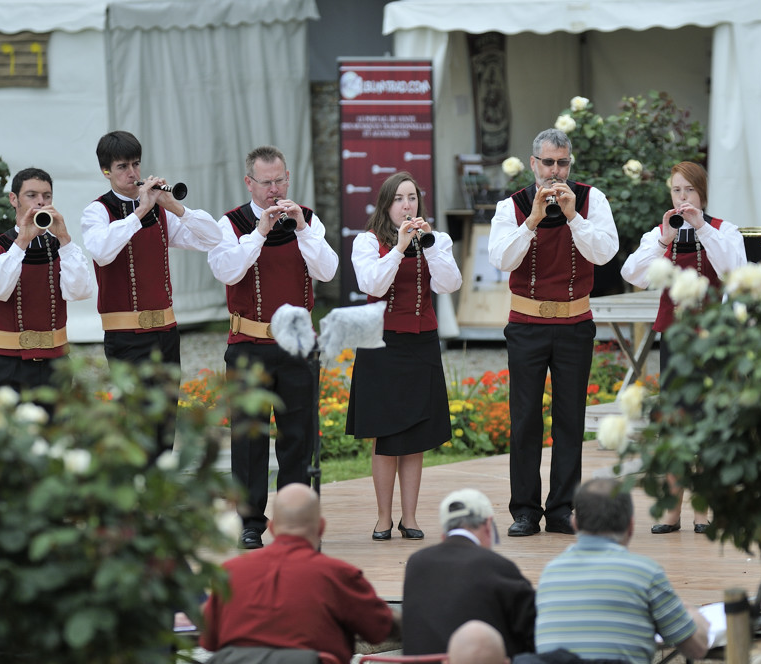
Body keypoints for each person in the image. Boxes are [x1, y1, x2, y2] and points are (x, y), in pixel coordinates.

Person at [488, 128, 619, 537]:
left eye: (562, 162)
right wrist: (531, 221)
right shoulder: (510, 207)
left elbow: (605, 251)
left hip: (575, 323)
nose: (555, 171)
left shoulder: (591, 199)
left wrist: (574, 216)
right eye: (548, 163)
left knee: (569, 419)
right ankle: (525, 510)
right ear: (533, 164)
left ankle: (562, 508)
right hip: (526, 325)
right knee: (525, 419)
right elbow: (500, 259)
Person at [208, 146, 338, 550]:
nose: (275, 189)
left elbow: (328, 270)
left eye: (281, 180)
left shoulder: (307, 220)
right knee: (249, 438)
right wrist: (260, 232)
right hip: (249, 343)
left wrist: (300, 228)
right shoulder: (230, 224)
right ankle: (250, 521)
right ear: (250, 183)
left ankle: (294, 518)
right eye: (266, 182)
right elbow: (227, 269)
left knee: (297, 435)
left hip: (297, 346)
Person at [621, 162, 746, 534]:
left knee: (709, 420)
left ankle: (704, 509)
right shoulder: (658, 235)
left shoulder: (725, 231)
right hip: (675, 338)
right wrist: (663, 240)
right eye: (677, 191)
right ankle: (672, 508)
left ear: (703, 194)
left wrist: (703, 226)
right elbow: (633, 275)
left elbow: (734, 270)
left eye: (689, 191)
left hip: (715, 339)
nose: (682, 198)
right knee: (675, 422)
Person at [80, 131, 221, 454]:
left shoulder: (160, 209)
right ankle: (138, 495)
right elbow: (102, 251)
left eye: (136, 164)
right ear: (106, 172)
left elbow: (213, 239)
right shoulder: (98, 212)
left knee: (165, 419)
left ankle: (158, 495)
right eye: (122, 167)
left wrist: (175, 207)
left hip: (166, 332)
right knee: (137, 420)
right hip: (125, 334)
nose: (133, 174)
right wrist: (139, 211)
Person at [346, 172, 462, 541]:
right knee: (385, 434)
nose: (407, 205)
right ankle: (383, 518)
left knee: (415, 433)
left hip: (421, 342)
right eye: (398, 199)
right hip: (381, 344)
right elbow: (373, 285)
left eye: (411, 197)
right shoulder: (367, 242)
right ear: (386, 205)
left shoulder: (435, 240)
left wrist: (425, 246)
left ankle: (409, 517)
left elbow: (449, 284)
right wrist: (398, 247)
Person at [200, 484, 399, 664]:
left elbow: (209, 641)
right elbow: (379, 628)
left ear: (271, 528)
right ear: (320, 527)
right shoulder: (339, 575)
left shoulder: (229, 572)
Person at [534, 477, 709, 664]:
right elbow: (697, 648)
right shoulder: (645, 573)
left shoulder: (550, 574)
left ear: (574, 524)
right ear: (631, 525)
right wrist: (692, 614)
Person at [0, 167, 94, 392]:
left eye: (47, 196)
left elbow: (81, 291)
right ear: (13, 199)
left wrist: (65, 239)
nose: (40, 202)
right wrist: (21, 243)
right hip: (8, 364)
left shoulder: (63, 247)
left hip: (56, 363)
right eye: (32, 195)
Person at [402, 488, 535, 657]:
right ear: (488, 525)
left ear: (444, 533)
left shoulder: (416, 563)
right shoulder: (497, 566)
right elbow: (533, 631)